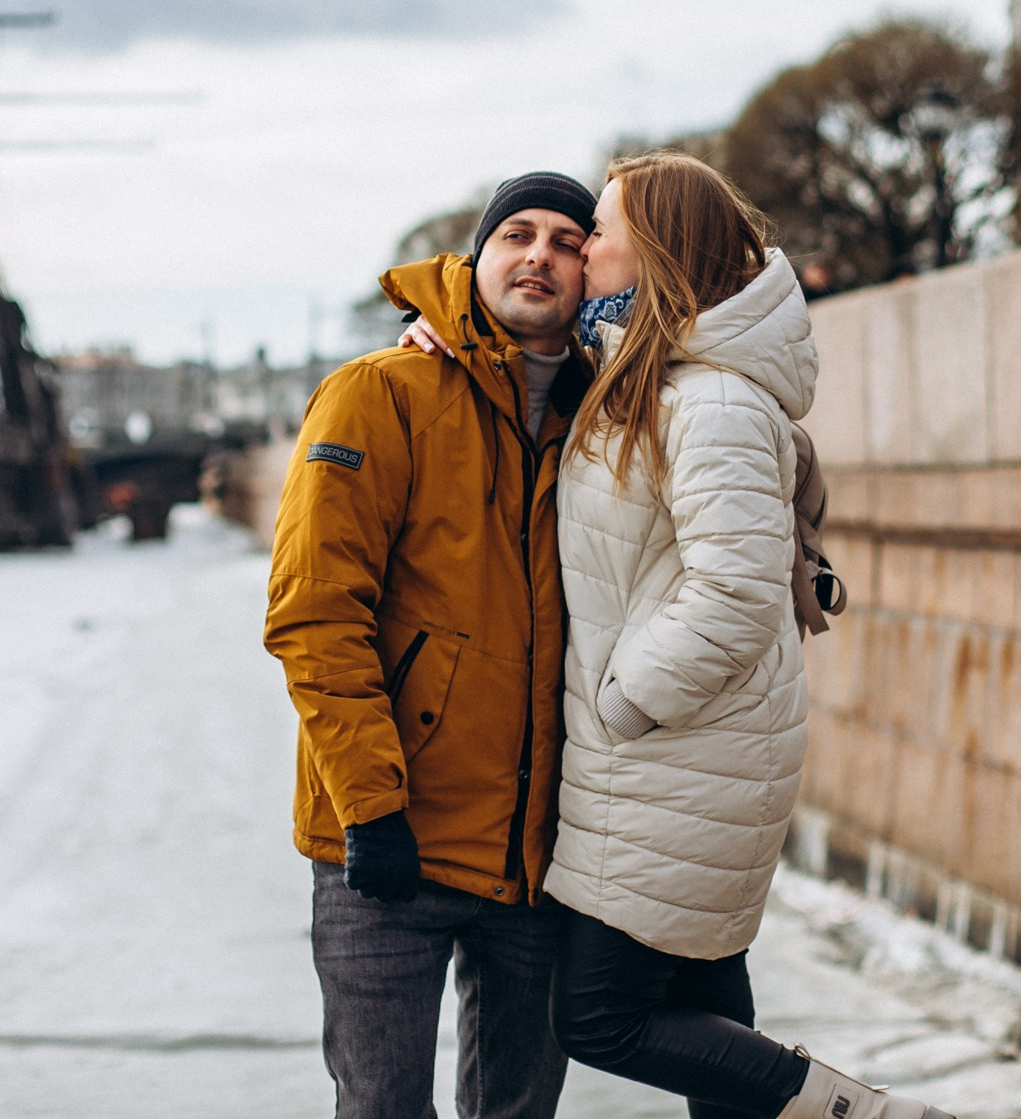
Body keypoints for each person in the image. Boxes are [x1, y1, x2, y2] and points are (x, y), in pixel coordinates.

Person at [543, 153, 954, 1119]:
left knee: (600, 1016)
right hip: (689, 757)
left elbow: (735, 592)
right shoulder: (655, 376)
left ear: (657, 247)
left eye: (599, 229)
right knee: (700, 998)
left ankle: (862, 1114)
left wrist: (625, 699)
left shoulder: (709, 400)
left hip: (669, 753)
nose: (585, 246)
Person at [265, 170, 599, 1119]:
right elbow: (314, 611)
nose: (539, 254)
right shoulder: (378, 394)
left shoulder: (608, 416)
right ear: (475, 259)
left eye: (567, 242)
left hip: (535, 860)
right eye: (516, 234)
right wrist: (371, 810)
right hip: (387, 849)